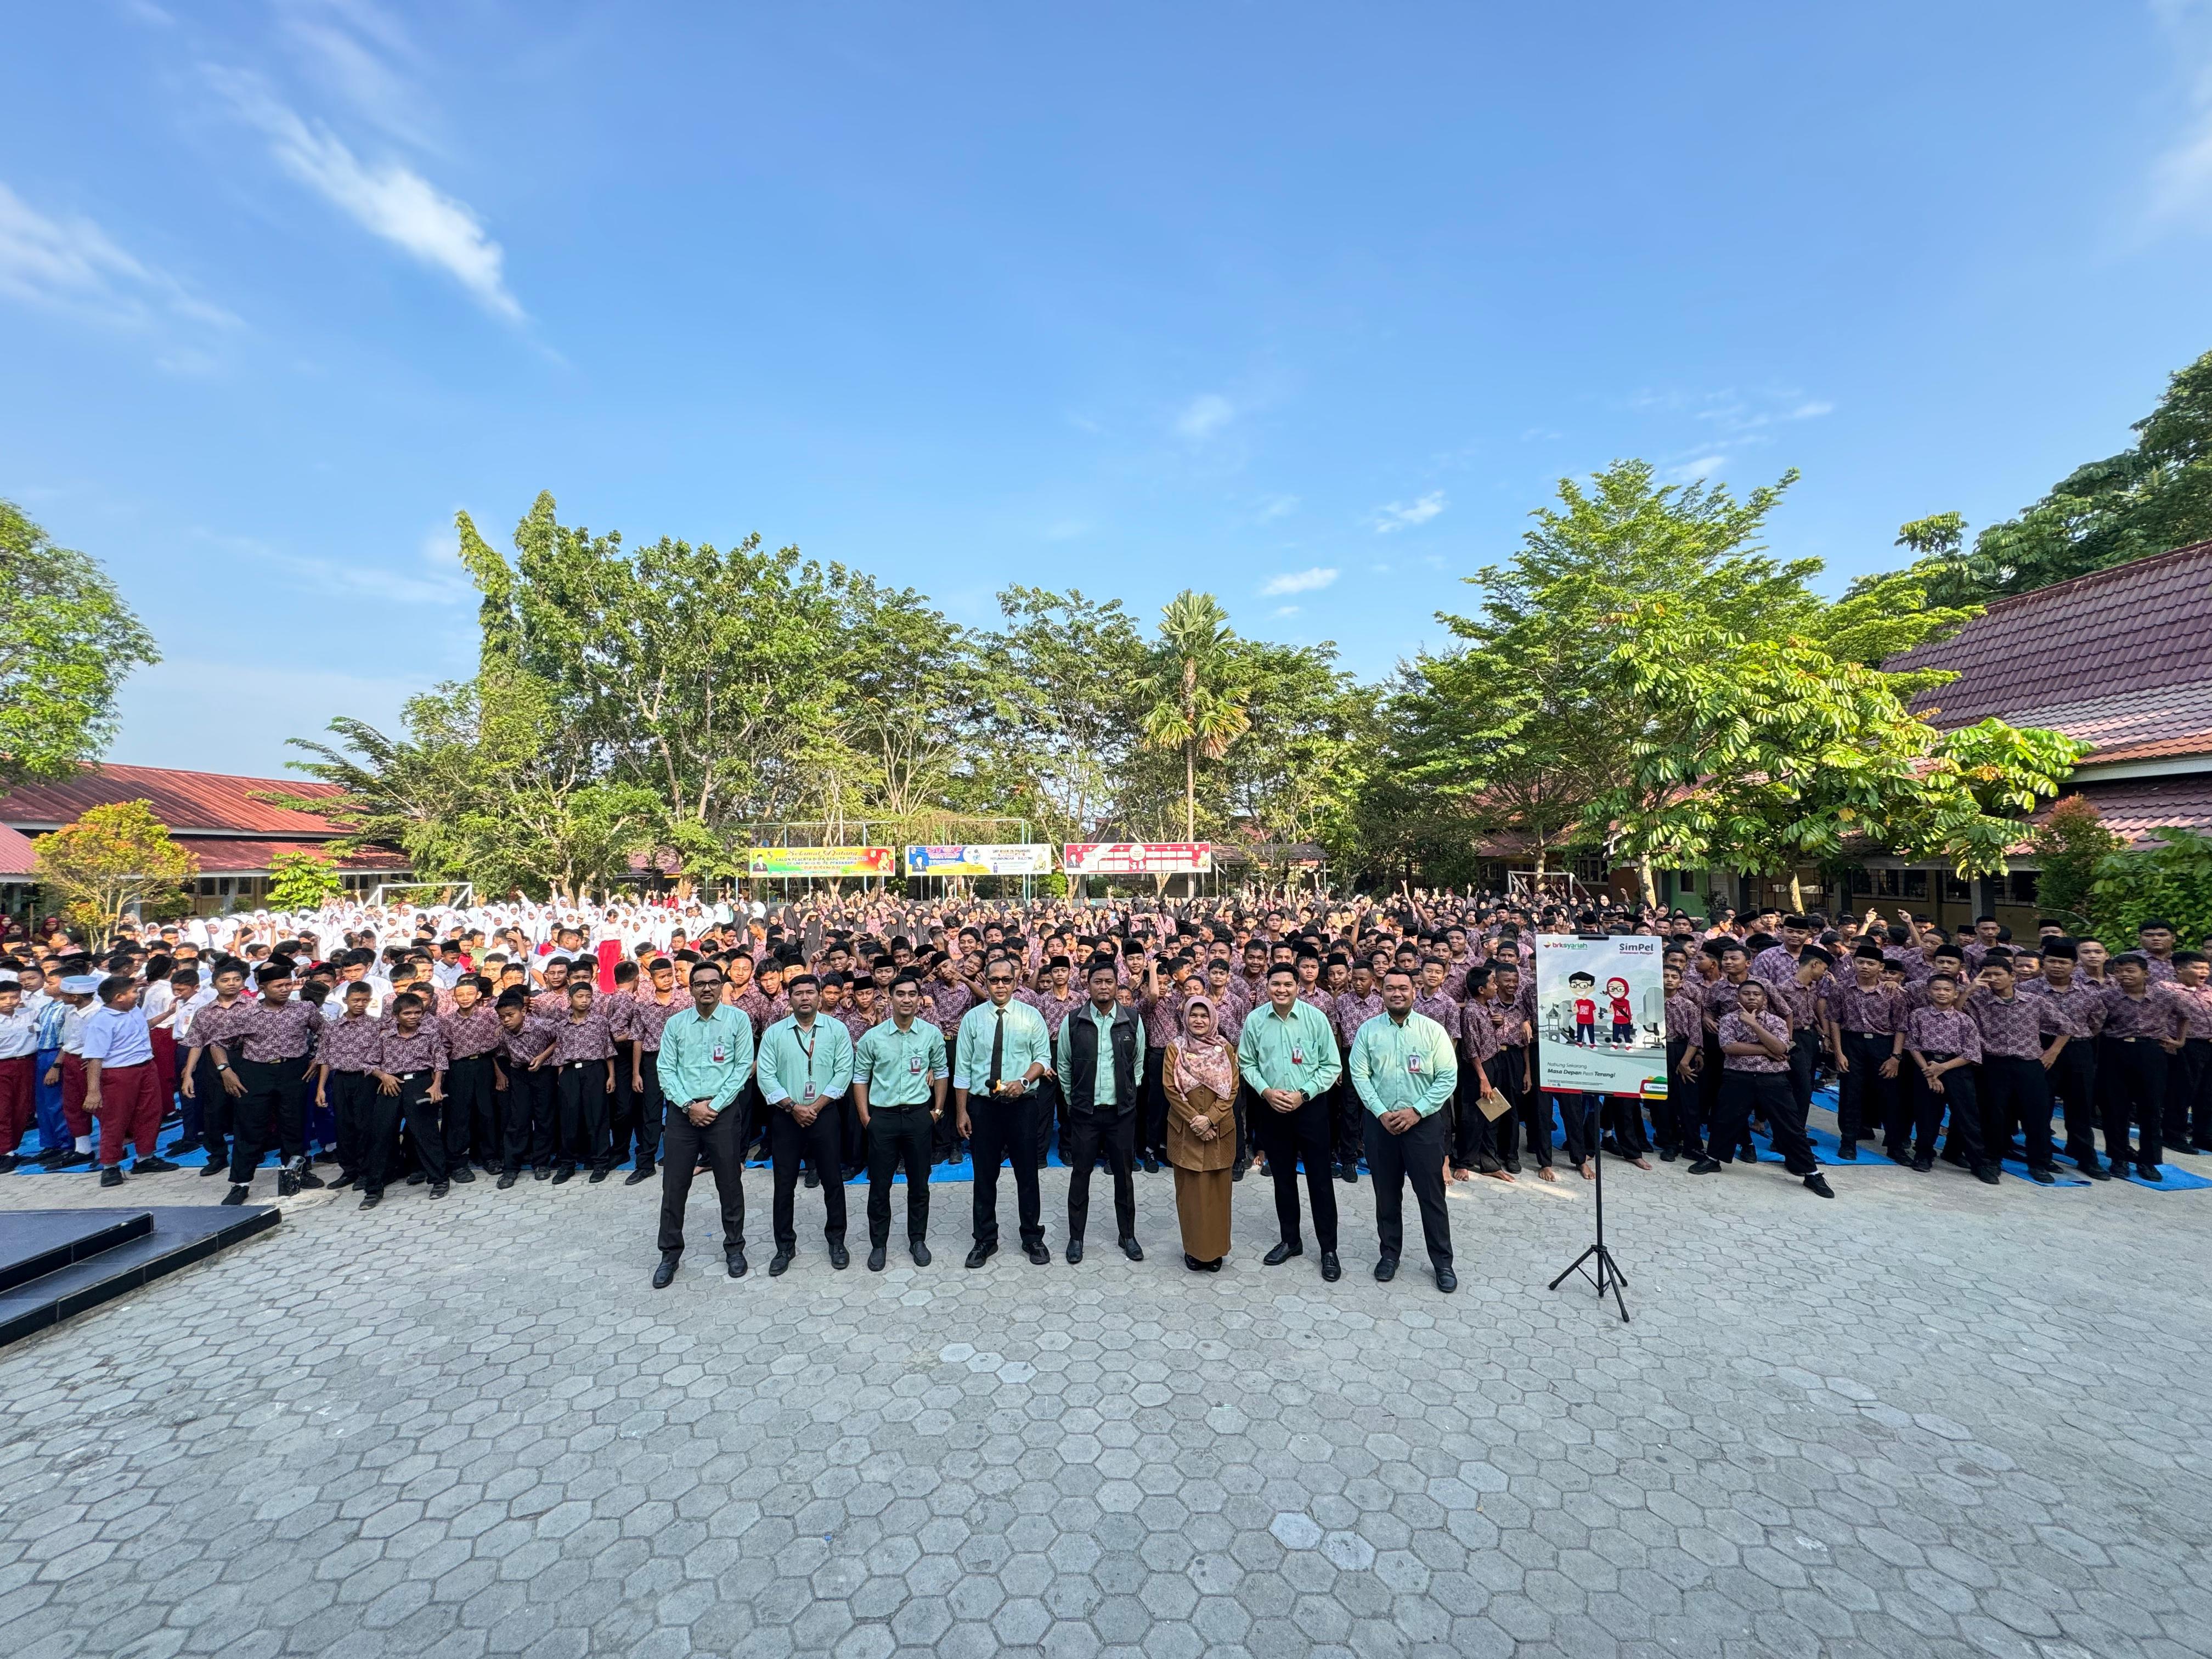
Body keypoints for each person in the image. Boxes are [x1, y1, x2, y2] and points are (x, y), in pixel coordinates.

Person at [1346, 969, 1459, 1290]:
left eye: (1404, 988)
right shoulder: (1368, 1031)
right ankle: (1389, 1255)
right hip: (1380, 1125)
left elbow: (1447, 1079)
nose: (1398, 993)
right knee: (1386, 1193)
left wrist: (1416, 1111)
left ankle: (1442, 1263)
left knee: (1432, 1195)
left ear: (1415, 990)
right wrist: (1381, 1112)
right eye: (1391, 988)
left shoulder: (1432, 1031)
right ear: (1381, 991)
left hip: (1423, 1125)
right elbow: (1360, 1075)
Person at [1237, 963, 1345, 1282]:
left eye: (1287, 984)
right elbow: (1247, 1062)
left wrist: (1304, 1094)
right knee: (1283, 1179)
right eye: (1275, 985)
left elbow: (1331, 1065)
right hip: (1272, 1109)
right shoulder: (1256, 1020)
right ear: (1267, 987)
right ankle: (1290, 1240)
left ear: (1298, 986)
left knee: (1320, 1181)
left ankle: (1328, 1249)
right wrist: (1266, 1092)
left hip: (1310, 1108)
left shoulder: (1316, 1019)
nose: (1281, 990)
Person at [651, 960, 754, 1287]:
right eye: (700, 983)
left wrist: (715, 1105)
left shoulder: (738, 1020)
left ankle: (735, 1248)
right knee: (674, 1186)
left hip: (722, 1114)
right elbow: (665, 1069)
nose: (706, 988)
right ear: (691, 988)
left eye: (713, 982)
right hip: (683, 1114)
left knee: (729, 1184)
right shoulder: (676, 1024)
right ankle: (670, 1254)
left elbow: (742, 1069)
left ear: (722, 986)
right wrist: (688, 1105)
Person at [1695, 978, 1835, 1197]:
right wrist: (1766, 1051)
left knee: (1790, 1125)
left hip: (1773, 1079)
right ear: (1738, 997)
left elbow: (1781, 1046)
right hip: (1737, 1077)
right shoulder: (1729, 1020)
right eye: (1746, 994)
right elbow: (1729, 1047)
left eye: (1756, 995)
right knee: (1725, 1120)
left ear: (1765, 999)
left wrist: (1753, 1025)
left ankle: (1811, 1173)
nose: (1751, 998)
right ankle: (1713, 1159)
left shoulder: (1776, 1022)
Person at [955, 960, 1054, 1268]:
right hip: (983, 1108)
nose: (1000, 985)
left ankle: (1032, 1237)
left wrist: (1024, 1081)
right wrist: (962, 1112)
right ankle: (984, 1239)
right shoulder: (972, 1019)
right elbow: (962, 1069)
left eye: (1006, 980)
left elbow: (1043, 1057)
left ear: (1016, 981)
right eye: (994, 980)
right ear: (985, 981)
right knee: (985, 1175)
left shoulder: (1031, 1015)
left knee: (1028, 1174)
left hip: (1023, 1106)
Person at [755, 973, 854, 1275]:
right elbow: (766, 1075)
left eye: (810, 992)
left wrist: (817, 1105)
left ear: (820, 995)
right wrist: (793, 1106)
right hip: (786, 1117)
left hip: (824, 1115)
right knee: (783, 1184)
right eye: (798, 993)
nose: (805, 998)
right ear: (790, 998)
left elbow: (844, 1071)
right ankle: (784, 1246)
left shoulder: (837, 1030)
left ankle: (837, 1240)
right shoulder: (775, 1033)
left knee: (833, 1182)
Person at [851, 973, 949, 1272]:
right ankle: (878, 1244)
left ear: (920, 999)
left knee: (919, 1184)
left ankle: (917, 1240)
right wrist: (866, 1118)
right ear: (890, 998)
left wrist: (937, 1111)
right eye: (901, 994)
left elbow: (942, 1072)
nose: (907, 1000)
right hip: (883, 1118)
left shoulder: (931, 1034)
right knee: (879, 1185)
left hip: (920, 1116)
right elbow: (860, 1078)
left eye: (912, 994)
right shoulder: (873, 1038)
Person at [211, 962, 324, 1205]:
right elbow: (219, 1043)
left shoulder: (304, 1009)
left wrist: (317, 1058)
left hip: (295, 1071)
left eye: (288, 985)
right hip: (255, 1072)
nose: (285, 990)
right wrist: (225, 1070)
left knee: (294, 1125)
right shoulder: (245, 1013)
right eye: (278, 986)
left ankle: (296, 1172)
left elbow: (326, 1034)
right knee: (250, 1128)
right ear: (262, 988)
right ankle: (240, 1184)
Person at [1058, 958, 1144, 1265]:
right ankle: (1076, 1238)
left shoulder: (1132, 1019)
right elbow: (1064, 1066)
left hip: (1121, 1114)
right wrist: (1075, 1101)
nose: (1104, 987)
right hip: (1085, 1114)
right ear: (1089, 985)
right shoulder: (1073, 1021)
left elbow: (1139, 1064)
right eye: (1098, 982)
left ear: (1117, 985)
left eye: (1109, 981)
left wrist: (1128, 1096)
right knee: (1081, 1175)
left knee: (1124, 1175)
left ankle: (1128, 1235)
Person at [1163, 996, 1238, 1271]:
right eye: (1193, 1015)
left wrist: (1210, 1119)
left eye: (1204, 1016)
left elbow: (1232, 1089)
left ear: (1213, 1019)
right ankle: (1194, 1250)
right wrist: (1195, 1119)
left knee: (1219, 1192)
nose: (1198, 1021)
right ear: (1185, 1018)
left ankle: (1216, 1251)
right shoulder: (1176, 1048)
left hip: (1220, 1131)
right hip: (1187, 1129)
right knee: (1191, 1192)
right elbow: (1171, 1088)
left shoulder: (1225, 1048)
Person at [81, 974, 173, 1186]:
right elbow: (95, 1057)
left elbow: (144, 1025)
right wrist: (93, 1091)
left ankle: (145, 1158)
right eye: (133, 992)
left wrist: (168, 1013)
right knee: (116, 1119)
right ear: (119, 997)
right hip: (119, 1075)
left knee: (150, 1113)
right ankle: (110, 1166)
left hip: (146, 1068)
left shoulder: (134, 1011)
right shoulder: (101, 1022)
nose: (137, 994)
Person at [370, 991, 450, 1206]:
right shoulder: (385, 1037)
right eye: (408, 1013)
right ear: (397, 1015)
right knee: (381, 1135)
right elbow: (369, 1064)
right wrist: (383, 1076)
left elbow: (440, 1063)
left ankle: (439, 1180)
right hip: (391, 1085)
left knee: (427, 1134)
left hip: (420, 1083)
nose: (413, 1017)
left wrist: (436, 1085)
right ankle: (374, 1188)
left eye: (417, 1013)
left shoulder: (430, 1035)